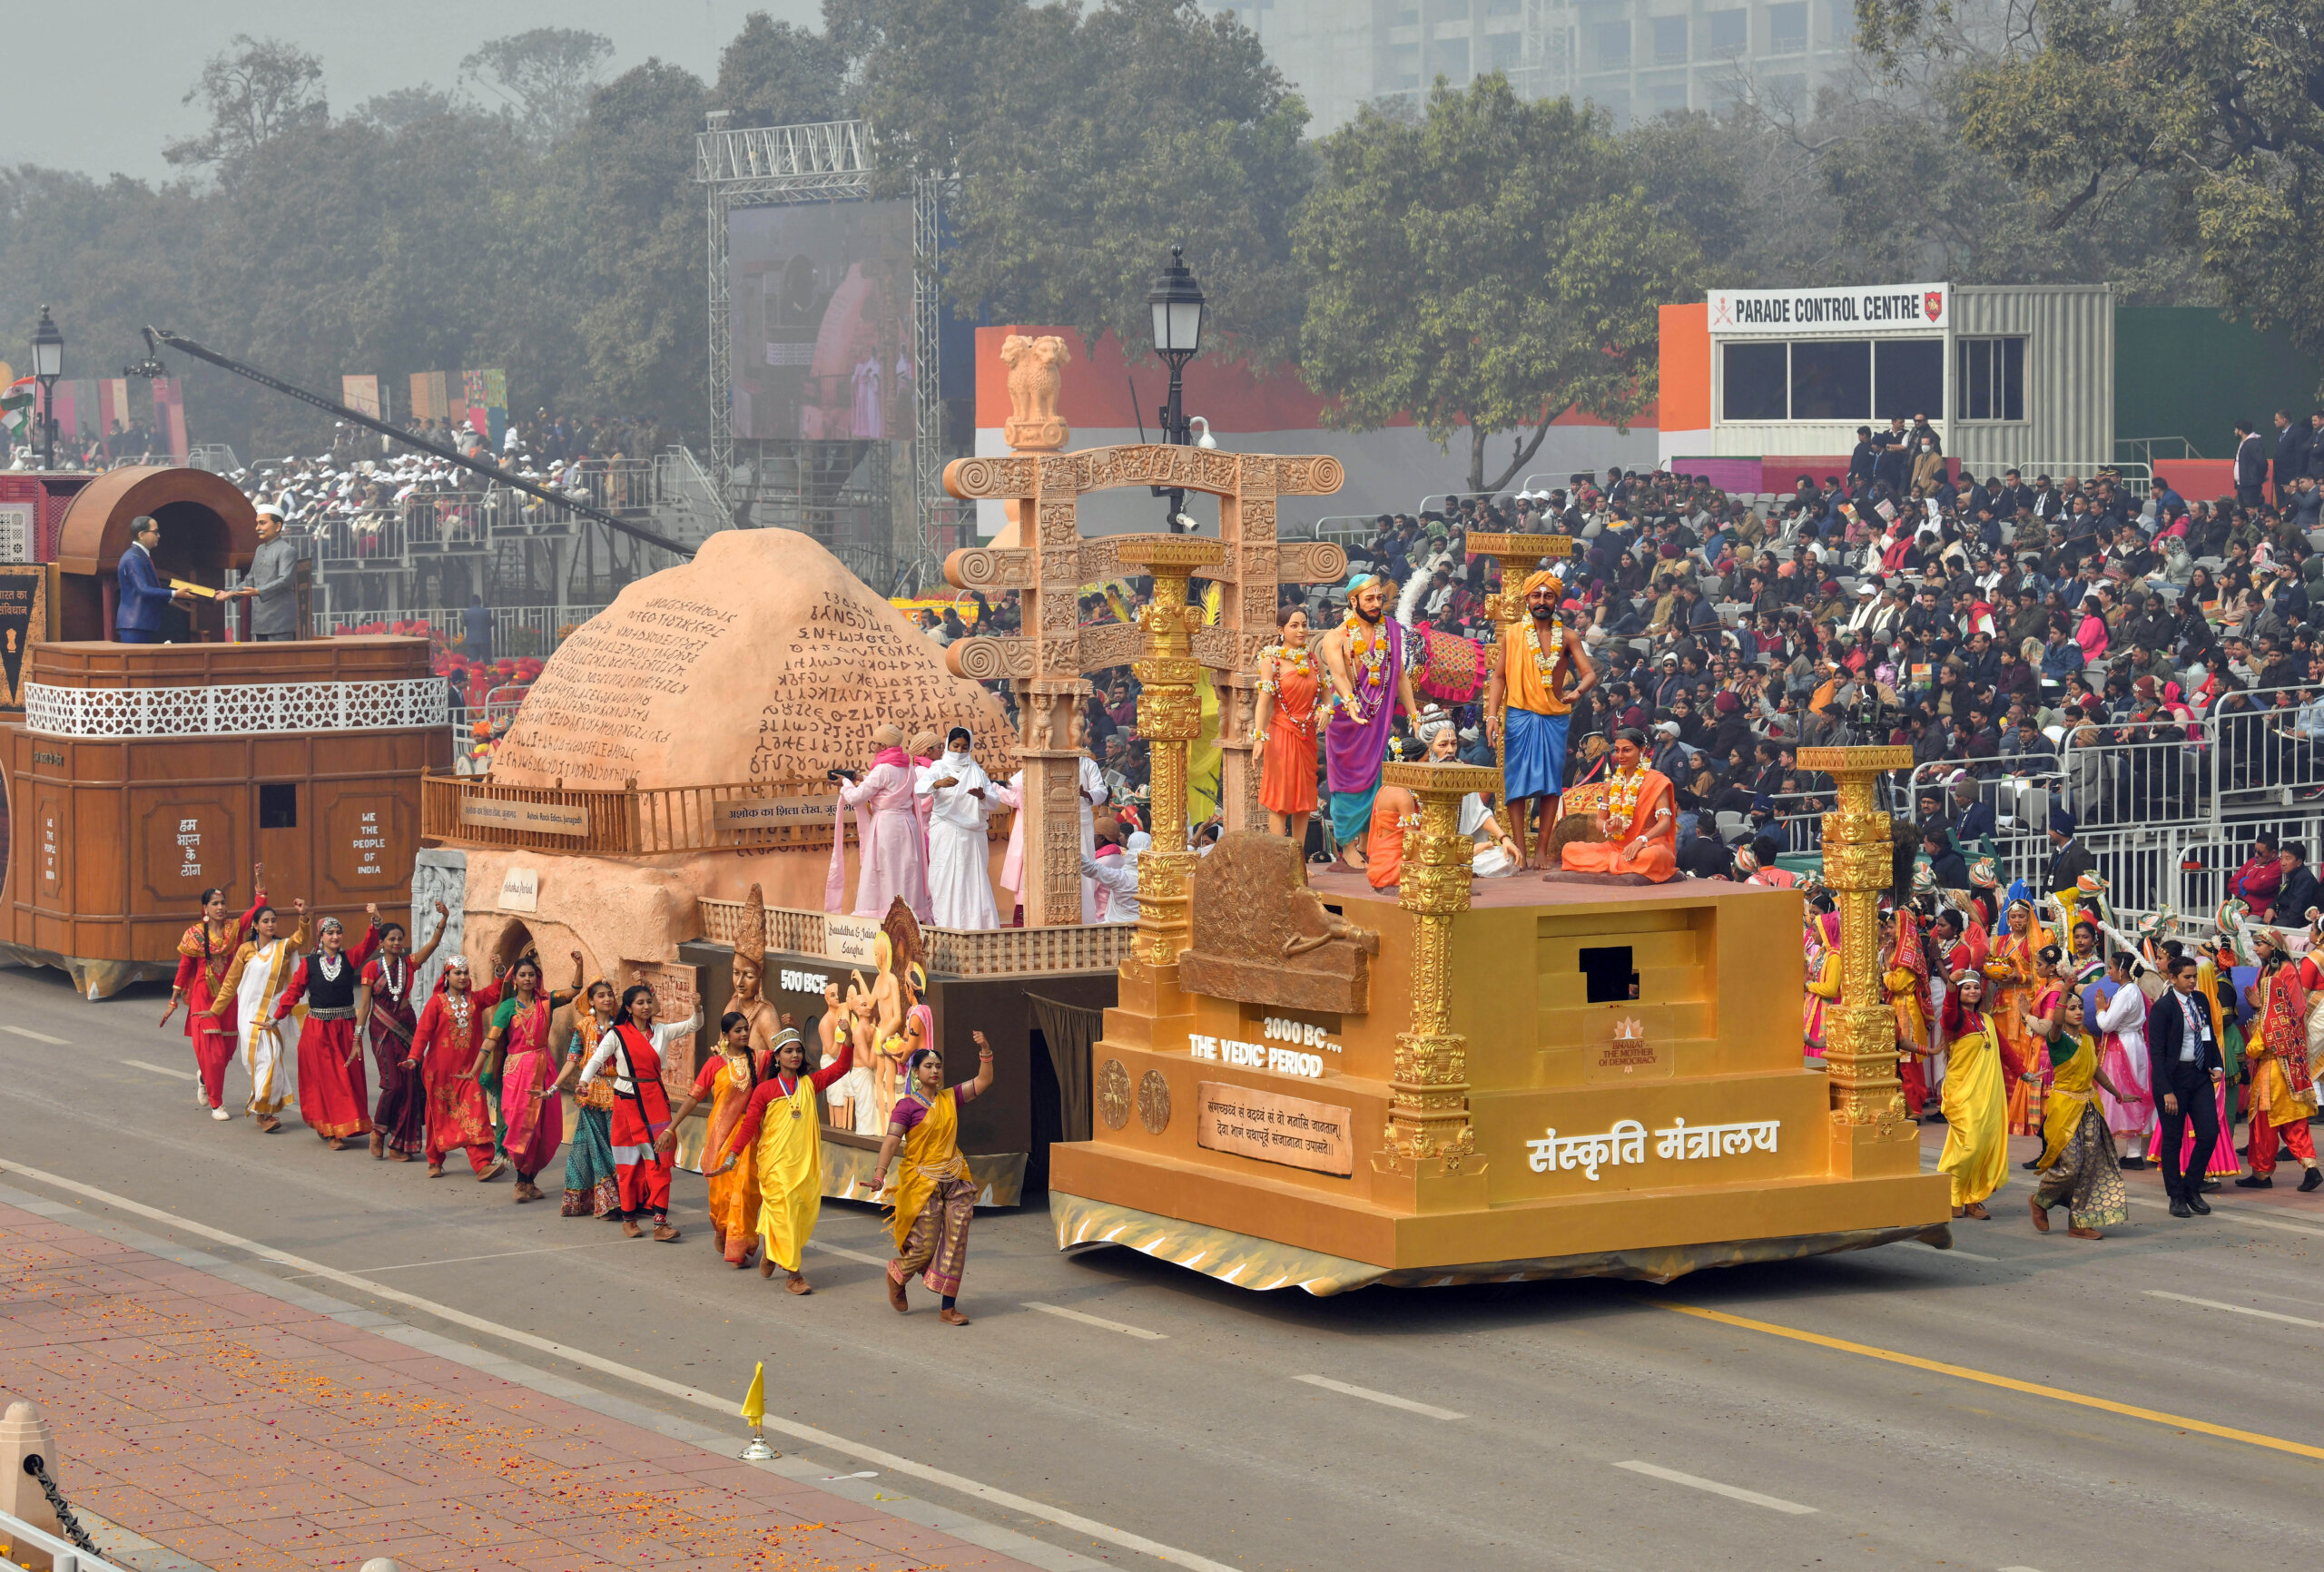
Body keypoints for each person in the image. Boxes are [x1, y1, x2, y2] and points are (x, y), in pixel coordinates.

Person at [719, 1022, 857, 1293]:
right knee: (783, 1212)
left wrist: (848, 1039)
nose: (795, 1056)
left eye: (798, 1051)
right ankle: (794, 1274)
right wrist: (733, 1154)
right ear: (777, 1057)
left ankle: (773, 1251)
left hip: (804, 1164)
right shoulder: (765, 1090)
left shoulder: (809, 1083)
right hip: (775, 1164)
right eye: (788, 1051)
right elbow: (749, 1126)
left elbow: (840, 1068)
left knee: (798, 1215)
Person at [872, 1035, 998, 1326]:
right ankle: (898, 1274)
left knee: (956, 1242)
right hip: (922, 1184)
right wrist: (879, 1173)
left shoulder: (950, 1097)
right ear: (915, 1073)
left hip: (956, 1179)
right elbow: (891, 1142)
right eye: (928, 1066)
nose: (935, 1071)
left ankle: (948, 1308)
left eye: (938, 1066)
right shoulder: (907, 1107)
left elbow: (983, 1081)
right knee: (925, 1248)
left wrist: (985, 1051)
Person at [1484, 576, 1597, 868]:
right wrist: (1492, 716)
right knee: (1516, 784)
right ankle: (1520, 848)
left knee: (1550, 786)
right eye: (1536, 596)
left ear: (1556, 601)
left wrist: (1577, 692)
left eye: (1548, 596)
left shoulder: (1569, 636)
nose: (1542, 601)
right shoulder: (1513, 634)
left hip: (1555, 717)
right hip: (1519, 716)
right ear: (1527, 600)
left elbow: (1590, 674)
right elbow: (1498, 677)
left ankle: (1542, 849)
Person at [578, 983, 700, 1240]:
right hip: (626, 1103)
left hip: (655, 1102)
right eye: (640, 1003)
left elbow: (693, 1025)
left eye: (648, 1002)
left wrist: (697, 1008)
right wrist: (583, 1081)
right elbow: (597, 1059)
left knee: (659, 1159)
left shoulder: (662, 1032)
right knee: (628, 1162)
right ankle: (629, 1218)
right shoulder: (617, 1034)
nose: (646, 1007)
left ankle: (660, 1222)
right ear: (628, 1008)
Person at [1316, 575, 1421, 870]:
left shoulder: (1391, 630)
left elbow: (1399, 675)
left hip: (1377, 717)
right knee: (1346, 784)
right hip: (1346, 720)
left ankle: (1366, 842)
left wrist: (1413, 713)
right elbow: (1337, 675)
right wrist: (1350, 703)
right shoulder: (1336, 636)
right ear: (1354, 601)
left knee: (1375, 780)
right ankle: (1347, 846)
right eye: (1370, 599)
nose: (1377, 604)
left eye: (1379, 598)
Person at [664, 1010, 772, 1266]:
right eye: (738, 1030)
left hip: (749, 1137)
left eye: (746, 1029)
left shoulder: (759, 1059)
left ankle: (739, 1245)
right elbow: (693, 1098)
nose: (744, 1034)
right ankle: (722, 1229)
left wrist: (792, 1028)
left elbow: (789, 1052)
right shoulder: (715, 1064)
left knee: (745, 1191)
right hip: (721, 1136)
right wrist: (671, 1128)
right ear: (725, 1036)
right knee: (721, 1196)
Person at [160, 875, 268, 1121]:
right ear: (205, 909)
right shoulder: (194, 935)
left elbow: (256, 913)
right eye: (215, 904)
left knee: (227, 1051)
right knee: (214, 1054)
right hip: (203, 996)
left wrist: (261, 889)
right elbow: (184, 968)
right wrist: (173, 1001)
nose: (221, 908)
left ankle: (203, 1077)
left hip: (229, 996)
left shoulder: (233, 929)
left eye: (223, 903)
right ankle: (217, 1104)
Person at [272, 913, 384, 1149]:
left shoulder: (350, 958)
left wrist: (375, 923)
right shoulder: (308, 964)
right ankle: (334, 1132)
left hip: (345, 1029)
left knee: (347, 1079)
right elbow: (293, 992)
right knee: (330, 1081)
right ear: (321, 937)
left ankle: (339, 1125)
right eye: (330, 933)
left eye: (338, 933)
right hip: (319, 1031)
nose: (335, 937)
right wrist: (276, 1018)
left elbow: (369, 945)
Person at [2028, 989, 2130, 1239]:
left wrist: (2117, 1093)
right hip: (2064, 1108)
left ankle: (2078, 1223)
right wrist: (2065, 990)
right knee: (2071, 1165)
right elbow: (2057, 1022)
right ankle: (2041, 1201)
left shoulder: (2087, 1041)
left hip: (2089, 1108)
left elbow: (2095, 1071)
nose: (2078, 1012)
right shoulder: (2056, 1038)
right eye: (2072, 1008)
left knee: (2089, 1167)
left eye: (2080, 1008)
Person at [356, 899, 449, 1162]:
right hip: (381, 1029)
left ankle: (400, 1144)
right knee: (392, 1084)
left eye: (400, 939)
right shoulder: (371, 968)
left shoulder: (409, 963)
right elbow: (364, 1006)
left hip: (408, 1028)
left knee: (410, 1084)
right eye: (391, 939)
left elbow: (432, 946)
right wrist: (356, 1038)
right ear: (381, 943)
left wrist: (443, 920)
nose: (396, 943)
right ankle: (378, 1132)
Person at [206, 899, 310, 1135]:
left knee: (272, 1058)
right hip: (250, 1012)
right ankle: (264, 1112)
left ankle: (264, 1112)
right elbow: (231, 984)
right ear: (255, 925)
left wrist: (304, 917)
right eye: (265, 921)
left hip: (275, 1013)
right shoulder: (245, 950)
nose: (270, 924)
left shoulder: (283, 946)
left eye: (273, 920)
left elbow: (301, 939)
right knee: (262, 1059)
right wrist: (215, 1010)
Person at [487, 952, 585, 1203]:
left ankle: (529, 1180)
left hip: (544, 1070)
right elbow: (493, 1040)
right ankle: (520, 1181)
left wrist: (579, 965)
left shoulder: (546, 1002)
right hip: (517, 1072)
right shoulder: (508, 1007)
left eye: (531, 974)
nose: (528, 978)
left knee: (542, 1128)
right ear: (515, 980)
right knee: (520, 1125)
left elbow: (574, 991)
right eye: (523, 975)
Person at [2239, 934, 2323, 1191]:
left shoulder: (2286, 972)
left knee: (2264, 1122)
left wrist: (2260, 1009)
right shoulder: (2268, 969)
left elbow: (2292, 1009)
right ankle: (2310, 1167)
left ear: (2273, 947)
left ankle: (2262, 1174)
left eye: (2260, 944)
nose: (2255, 949)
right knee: (2292, 1119)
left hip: (2273, 1065)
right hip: (2289, 1064)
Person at [2148, 954, 2225, 1218]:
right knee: (2172, 1140)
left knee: (2209, 1133)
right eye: (2187, 977)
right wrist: (2166, 1089)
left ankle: (2192, 1187)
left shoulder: (2200, 1000)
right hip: (2173, 1079)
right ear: (2173, 978)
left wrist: (2216, 1065)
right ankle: (2176, 1196)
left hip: (2199, 1075)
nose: (2193, 981)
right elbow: (2156, 1053)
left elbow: (2209, 1035)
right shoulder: (2163, 1007)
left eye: (2194, 976)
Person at [413, 957, 504, 1180]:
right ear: (447, 977)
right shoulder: (436, 1002)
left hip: (468, 1072)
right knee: (438, 1114)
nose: (462, 977)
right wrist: (413, 1058)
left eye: (465, 973)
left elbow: (493, 994)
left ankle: (482, 1164)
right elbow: (422, 1033)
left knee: (476, 1114)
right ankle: (434, 1161)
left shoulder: (474, 1000)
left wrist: (499, 972)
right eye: (457, 973)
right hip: (439, 1072)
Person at [832, 722, 931, 921]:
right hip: (907, 825)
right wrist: (861, 777)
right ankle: (909, 912)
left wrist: (845, 783)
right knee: (906, 870)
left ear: (883, 747)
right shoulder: (908, 767)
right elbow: (888, 785)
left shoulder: (882, 769)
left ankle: (888, 914)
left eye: (876, 744)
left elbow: (856, 798)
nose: (874, 747)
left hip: (886, 826)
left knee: (885, 870)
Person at [1558, 728, 1678, 879]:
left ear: (1642, 750)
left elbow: (1665, 822)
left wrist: (1642, 840)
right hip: (1618, 847)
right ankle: (1622, 862)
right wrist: (1609, 826)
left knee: (1653, 856)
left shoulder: (1657, 781)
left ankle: (1614, 863)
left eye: (1627, 750)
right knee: (1570, 850)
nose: (1620, 756)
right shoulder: (1612, 785)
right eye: (1617, 750)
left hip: (1649, 845)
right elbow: (1600, 822)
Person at [1937, 968, 2009, 1219]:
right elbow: (1947, 1011)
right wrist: (1951, 985)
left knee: (1984, 1145)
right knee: (1971, 1144)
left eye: (1976, 988)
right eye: (1967, 988)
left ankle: (1973, 1200)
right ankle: (1953, 1194)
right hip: (1962, 1092)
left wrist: (2024, 1073)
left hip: (1986, 1094)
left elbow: (2005, 1051)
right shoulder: (1954, 1019)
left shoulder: (1987, 1021)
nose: (1972, 991)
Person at [549, 977, 624, 1216]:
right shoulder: (584, 1028)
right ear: (591, 1001)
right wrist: (553, 1088)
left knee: (618, 1147)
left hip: (620, 1092)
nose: (607, 999)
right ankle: (606, 1202)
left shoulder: (622, 1026)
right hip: (591, 1094)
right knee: (596, 1148)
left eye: (610, 995)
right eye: (601, 995)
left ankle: (624, 1199)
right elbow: (572, 1061)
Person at [1252, 604, 1321, 852]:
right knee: (1280, 799)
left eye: (1304, 624)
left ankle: (1298, 861)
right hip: (1281, 733)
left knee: (1304, 802)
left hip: (1307, 735)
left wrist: (1325, 711)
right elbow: (1263, 701)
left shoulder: (1312, 658)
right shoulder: (1271, 659)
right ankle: (1281, 859)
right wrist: (1259, 738)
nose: (1301, 630)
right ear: (1281, 630)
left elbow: (1326, 697)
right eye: (1294, 625)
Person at [921, 727, 1000, 929]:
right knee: (945, 879)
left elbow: (994, 801)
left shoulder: (977, 771)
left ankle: (976, 928)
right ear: (948, 745)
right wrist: (938, 784)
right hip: (946, 831)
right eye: (955, 746)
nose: (959, 751)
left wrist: (982, 796)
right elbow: (919, 790)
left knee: (973, 881)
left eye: (964, 747)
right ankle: (947, 927)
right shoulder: (938, 767)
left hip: (972, 835)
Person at [1983, 899, 2050, 1135]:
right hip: (2001, 1006)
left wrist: (2018, 978)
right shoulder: (2000, 942)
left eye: (2022, 916)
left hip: (2023, 1007)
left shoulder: (2034, 943)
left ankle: (2019, 1112)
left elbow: (2040, 976)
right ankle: (2000, 1108)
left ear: (2028, 918)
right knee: (2001, 1055)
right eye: (2014, 917)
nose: (2018, 921)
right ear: (2008, 920)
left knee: (2021, 1056)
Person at [2092, 949, 2155, 1168]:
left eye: (2110, 967)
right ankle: (2133, 1153)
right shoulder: (2132, 990)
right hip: (2133, 1045)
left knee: (2120, 1095)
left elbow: (2107, 1024)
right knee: (2132, 1093)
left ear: (2122, 971)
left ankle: (2124, 1153)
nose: (2108, 972)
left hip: (2123, 1048)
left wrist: (2100, 1010)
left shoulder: (2127, 992)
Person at [115, 515, 192, 643]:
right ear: (141, 535)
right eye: (155, 532)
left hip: (144, 624)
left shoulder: (141, 556)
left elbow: (151, 590)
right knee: (138, 663)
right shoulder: (133, 557)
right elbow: (143, 589)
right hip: (135, 625)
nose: (159, 536)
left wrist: (181, 600)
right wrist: (175, 593)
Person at [228, 504, 299, 640]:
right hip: (260, 621)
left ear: (278, 526)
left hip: (279, 623)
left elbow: (285, 580)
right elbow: (250, 580)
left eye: (262, 523)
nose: (257, 528)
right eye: (257, 524)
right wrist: (230, 594)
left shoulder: (286, 550)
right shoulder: (260, 549)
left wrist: (258, 591)